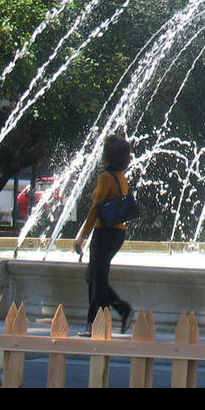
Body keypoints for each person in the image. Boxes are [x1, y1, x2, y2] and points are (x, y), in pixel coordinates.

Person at [72, 135, 134, 336]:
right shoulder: (120, 176)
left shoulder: (107, 178)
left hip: (104, 233)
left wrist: (82, 236)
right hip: (117, 233)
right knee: (93, 277)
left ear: (107, 156)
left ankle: (99, 323)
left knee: (97, 279)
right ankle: (111, 315)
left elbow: (95, 209)